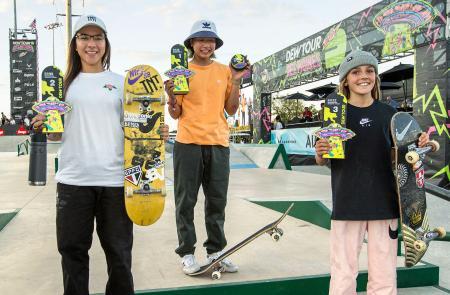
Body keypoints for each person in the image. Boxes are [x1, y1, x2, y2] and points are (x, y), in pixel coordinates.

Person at [31, 14, 168, 295]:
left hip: (116, 183)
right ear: (75, 44)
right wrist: (46, 125)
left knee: (119, 257)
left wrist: (157, 132)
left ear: (106, 43)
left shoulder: (123, 83)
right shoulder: (62, 85)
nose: (91, 44)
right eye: (84, 37)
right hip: (73, 182)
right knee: (73, 255)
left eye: (97, 37)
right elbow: (56, 135)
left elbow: (139, 128)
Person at [314, 50, 429, 295]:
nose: (363, 76)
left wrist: (421, 144)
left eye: (369, 71)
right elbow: (323, 160)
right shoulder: (335, 115)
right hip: (347, 204)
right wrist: (321, 151)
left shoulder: (391, 115)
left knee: (384, 274)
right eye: (356, 72)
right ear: (345, 80)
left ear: (375, 77)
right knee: (343, 272)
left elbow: (408, 153)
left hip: (384, 205)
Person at [164, 19, 250, 275]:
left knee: (216, 202)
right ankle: (187, 253)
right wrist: (170, 96)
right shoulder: (181, 70)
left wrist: (235, 81)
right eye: (201, 40)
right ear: (191, 43)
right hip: (188, 142)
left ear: (215, 44)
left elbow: (232, 109)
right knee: (185, 201)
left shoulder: (225, 71)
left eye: (210, 40)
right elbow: (176, 113)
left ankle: (216, 252)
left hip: (218, 143)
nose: (206, 44)